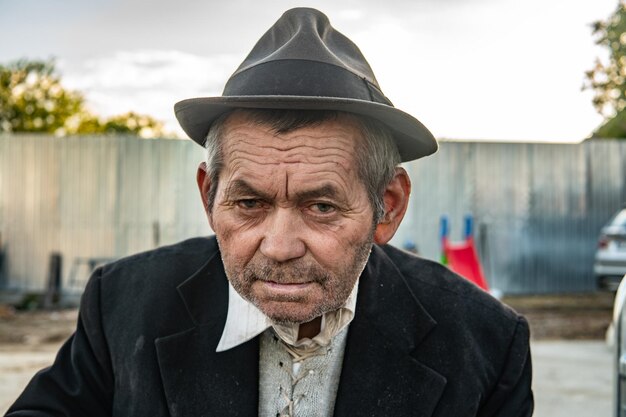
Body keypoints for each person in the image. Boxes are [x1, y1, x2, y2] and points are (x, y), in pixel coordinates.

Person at [6, 7, 533, 417]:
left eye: (322, 206)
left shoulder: (485, 342)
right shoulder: (122, 305)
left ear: (387, 206)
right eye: (249, 203)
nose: (279, 246)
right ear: (209, 196)